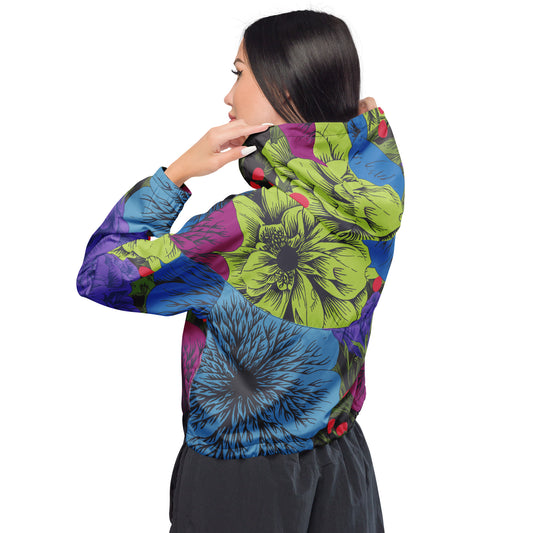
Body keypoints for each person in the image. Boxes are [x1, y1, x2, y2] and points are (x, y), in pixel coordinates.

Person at [76, 9, 405, 533]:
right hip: (343, 466)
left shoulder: (247, 223)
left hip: (243, 480)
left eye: (239, 73)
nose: (228, 96)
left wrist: (177, 173)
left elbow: (101, 274)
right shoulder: (374, 194)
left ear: (285, 86)